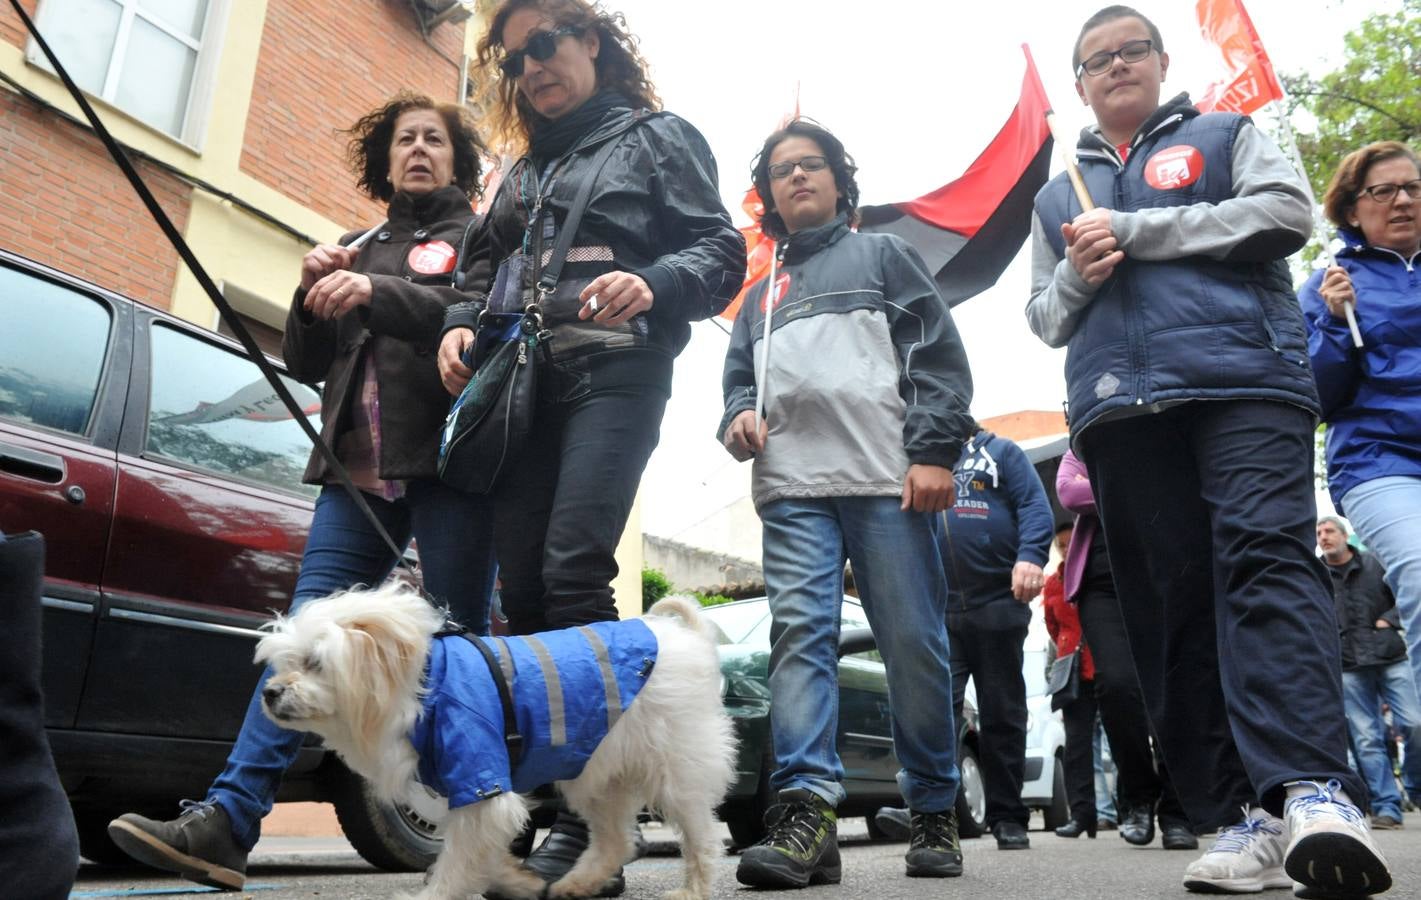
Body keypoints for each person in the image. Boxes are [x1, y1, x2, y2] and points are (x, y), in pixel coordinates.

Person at [1026, 5, 1391, 896]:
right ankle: (1235, 819)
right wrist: (1078, 271)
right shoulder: (1055, 194)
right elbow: (1042, 315)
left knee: (1265, 565)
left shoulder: (1225, 135)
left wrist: (1137, 231)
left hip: (1244, 387)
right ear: (1078, 86)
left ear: (1160, 61)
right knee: (1168, 609)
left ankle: (1314, 791)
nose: (1116, 65)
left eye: (1131, 50)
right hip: (1117, 412)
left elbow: (1283, 213)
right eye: (1096, 59)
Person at [108, 93, 499, 890]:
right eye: (404, 140)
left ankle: (482, 834)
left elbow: (482, 319)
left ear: (458, 159)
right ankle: (228, 820)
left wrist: (371, 293)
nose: (417, 150)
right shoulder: (357, 244)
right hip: (354, 478)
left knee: (461, 654)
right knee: (300, 644)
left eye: (433, 139)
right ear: (384, 159)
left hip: (451, 471)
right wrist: (311, 290)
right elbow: (305, 361)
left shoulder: (482, 238)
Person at [435, 2, 744, 894]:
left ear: (593, 43)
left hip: (616, 370)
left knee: (574, 568)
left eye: (544, 44)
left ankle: (590, 822)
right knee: (525, 589)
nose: (530, 66)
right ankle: (572, 797)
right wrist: (458, 323)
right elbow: (478, 267)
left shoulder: (658, 138)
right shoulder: (520, 170)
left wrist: (651, 281)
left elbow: (719, 248)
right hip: (519, 383)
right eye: (511, 59)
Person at [719, 118, 973, 888]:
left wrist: (932, 451)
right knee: (799, 640)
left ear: (838, 180)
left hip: (885, 480)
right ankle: (805, 815)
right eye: (781, 170)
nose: (797, 176)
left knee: (912, 645)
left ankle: (933, 808)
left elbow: (937, 357)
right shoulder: (758, 296)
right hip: (790, 488)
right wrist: (736, 415)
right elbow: (737, 382)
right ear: (767, 195)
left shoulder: (884, 255)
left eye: (811, 164)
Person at [1301, 141, 1421, 699]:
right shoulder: (1328, 284)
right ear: (1352, 209)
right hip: (1380, 460)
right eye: (1384, 191)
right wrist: (1331, 323)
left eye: (1413, 188)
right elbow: (1315, 397)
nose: (1403, 201)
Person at [1055, 450, 1194, 850]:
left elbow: (1179, 491)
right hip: (1101, 588)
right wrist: (1134, 488)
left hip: (1162, 578)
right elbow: (1069, 494)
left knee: (1172, 689)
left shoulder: (1157, 442)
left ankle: (1178, 810)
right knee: (1116, 686)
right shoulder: (1081, 452)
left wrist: (1107, 490)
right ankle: (1137, 796)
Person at [941, 425, 1053, 849]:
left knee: (1002, 712)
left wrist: (1031, 556)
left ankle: (1008, 816)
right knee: (935, 709)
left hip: (998, 601)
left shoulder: (1001, 452)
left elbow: (1035, 505)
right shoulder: (918, 456)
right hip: (938, 607)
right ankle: (934, 812)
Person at [1317, 515, 1421, 828]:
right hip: (1348, 665)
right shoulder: (1316, 574)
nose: (1323, 537)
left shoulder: (1375, 563)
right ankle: (1386, 806)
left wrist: (1390, 619)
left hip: (1391, 657)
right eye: (1319, 533)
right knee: (1366, 740)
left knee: (1415, 724)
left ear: (1344, 535)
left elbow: (1407, 593)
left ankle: (1415, 787)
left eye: (1329, 530)